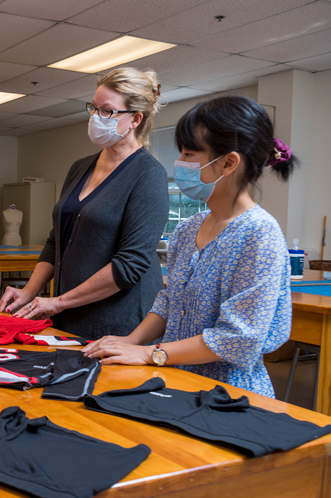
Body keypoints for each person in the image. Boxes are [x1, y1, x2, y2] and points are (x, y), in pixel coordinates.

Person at [82, 95, 295, 403]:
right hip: (175, 381)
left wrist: (148, 353)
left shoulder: (259, 234)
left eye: (189, 153)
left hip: (228, 397)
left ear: (228, 162)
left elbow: (237, 339)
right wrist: (129, 341)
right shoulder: (189, 228)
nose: (179, 163)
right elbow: (170, 301)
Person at [0, 67, 168, 340]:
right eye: (94, 107)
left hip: (118, 324)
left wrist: (58, 302)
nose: (96, 117)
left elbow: (129, 265)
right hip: (69, 315)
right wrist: (30, 291)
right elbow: (57, 241)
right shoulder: (80, 168)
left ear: (135, 119)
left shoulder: (148, 175)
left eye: (107, 111)